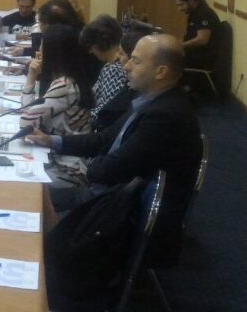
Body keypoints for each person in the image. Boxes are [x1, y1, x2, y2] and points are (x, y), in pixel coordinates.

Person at [28, 34, 202, 265]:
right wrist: (51, 141)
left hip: (117, 213)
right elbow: (103, 139)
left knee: (31, 198)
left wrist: (85, 168)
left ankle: (52, 262)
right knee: (32, 191)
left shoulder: (165, 117)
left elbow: (111, 170)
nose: (126, 66)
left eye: (136, 61)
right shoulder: (150, 100)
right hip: (112, 194)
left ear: (161, 72)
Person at [21, 25, 95, 142]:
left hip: (67, 152)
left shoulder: (65, 85)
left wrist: (31, 78)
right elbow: (29, 114)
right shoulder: (74, 77)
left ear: (52, 53)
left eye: (42, 47)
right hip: (66, 147)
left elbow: (25, 124)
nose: (38, 52)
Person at [80, 15, 134, 131]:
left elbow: (105, 110)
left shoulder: (113, 69)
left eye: (91, 47)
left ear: (102, 43)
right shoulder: (115, 66)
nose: (90, 52)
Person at [174, 0, 220, 69]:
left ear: (191, 1)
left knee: (167, 61)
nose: (180, 9)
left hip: (201, 61)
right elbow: (191, 37)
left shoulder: (204, 14)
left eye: (181, 5)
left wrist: (181, 45)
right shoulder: (194, 13)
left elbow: (202, 40)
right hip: (194, 56)